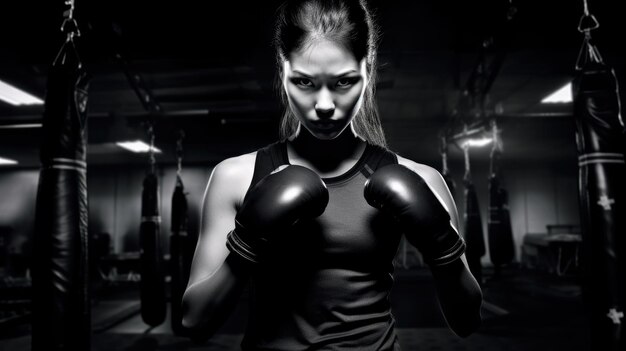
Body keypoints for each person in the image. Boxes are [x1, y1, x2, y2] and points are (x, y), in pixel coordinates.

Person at [181, 0, 483, 349]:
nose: (324, 104)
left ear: (367, 70)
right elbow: (194, 321)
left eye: (343, 82)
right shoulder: (236, 177)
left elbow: (466, 321)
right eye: (305, 82)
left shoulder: (421, 179)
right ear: (283, 70)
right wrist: (248, 242)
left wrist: (441, 244)